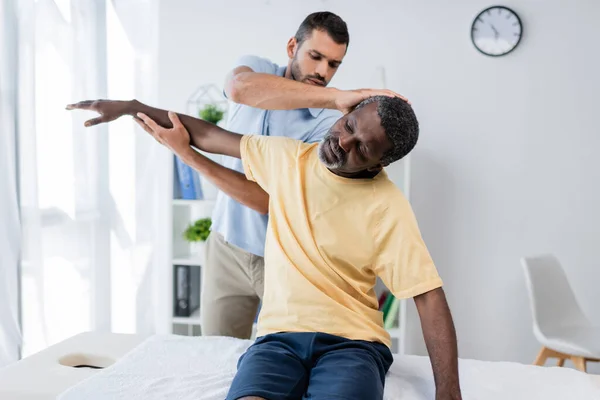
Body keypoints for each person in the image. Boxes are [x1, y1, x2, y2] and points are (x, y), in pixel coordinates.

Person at [66, 11, 406, 339]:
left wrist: (187, 154)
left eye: (333, 64)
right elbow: (239, 89)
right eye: (316, 56)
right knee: (213, 358)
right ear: (292, 47)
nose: (322, 71)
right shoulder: (258, 71)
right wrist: (129, 106)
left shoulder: (328, 128)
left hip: (282, 260)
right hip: (225, 248)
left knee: (283, 361)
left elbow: (268, 202)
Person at [100, 95, 461, 400]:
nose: (343, 142)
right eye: (349, 126)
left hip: (353, 344)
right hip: (277, 340)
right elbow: (209, 134)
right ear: (346, 115)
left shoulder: (388, 207)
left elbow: (428, 296)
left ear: (379, 163)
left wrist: (448, 394)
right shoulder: (289, 158)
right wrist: (133, 106)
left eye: (362, 147)